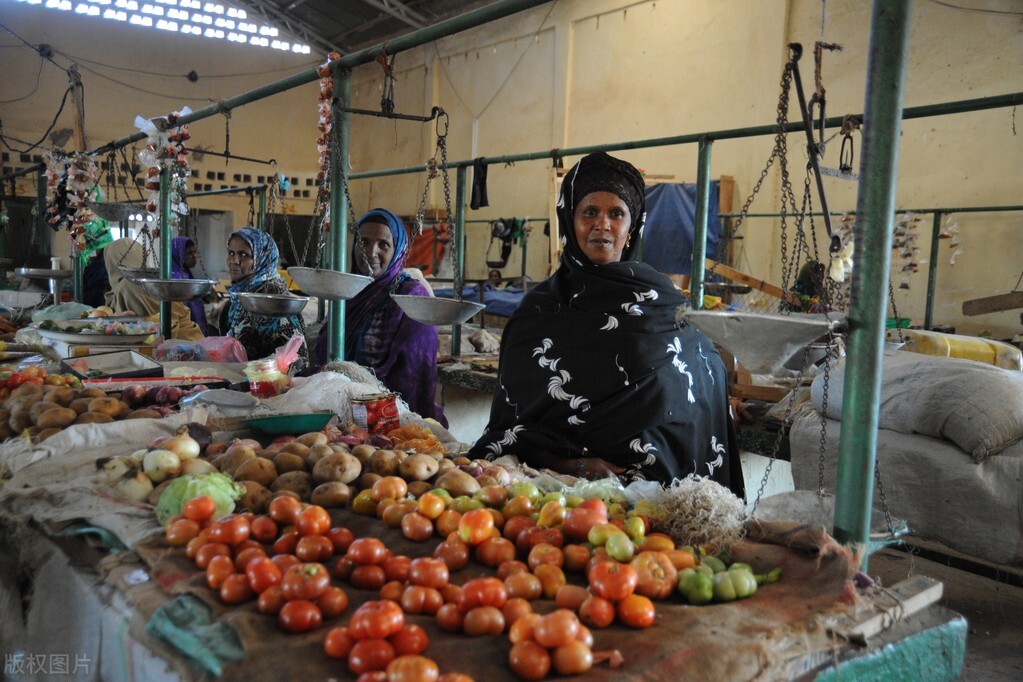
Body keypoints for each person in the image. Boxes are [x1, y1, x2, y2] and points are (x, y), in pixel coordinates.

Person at [468, 152, 743, 495]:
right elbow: (513, 426)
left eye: (617, 213)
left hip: (663, 493)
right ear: (570, 220)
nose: (603, 225)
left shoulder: (664, 300)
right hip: (562, 490)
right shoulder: (537, 313)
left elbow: (703, 373)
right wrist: (574, 465)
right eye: (589, 213)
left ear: (632, 226)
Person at [312, 208, 447, 427]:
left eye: (383, 245)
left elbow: (415, 376)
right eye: (363, 242)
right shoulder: (347, 293)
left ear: (398, 250)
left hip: (389, 420)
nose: (370, 252)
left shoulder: (410, 297)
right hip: (334, 416)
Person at [221, 226, 307, 368]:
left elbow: (290, 359)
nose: (234, 261)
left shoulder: (272, 295)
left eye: (243, 255)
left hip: (274, 382)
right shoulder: (242, 293)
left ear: (263, 258)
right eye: (231, 253)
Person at [103, 238, 203, 341]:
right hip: (192, 340)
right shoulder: (146, 282)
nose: (194, 256)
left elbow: (163, 329)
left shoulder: (129, 286)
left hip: (179, 348)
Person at [170, 236, 209, 335]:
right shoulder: (175, 280)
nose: (194, 256)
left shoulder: (185, 273)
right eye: (189, 253)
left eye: (194, 252)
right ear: (177, 254)